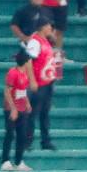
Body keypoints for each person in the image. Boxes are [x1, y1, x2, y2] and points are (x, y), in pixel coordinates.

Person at [25, 17, 56, 149]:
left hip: (47, 82)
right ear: (42, 27)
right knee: (33, 113)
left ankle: (45, 140)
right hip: (39, 83)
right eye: (48, 25)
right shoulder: (35, 42)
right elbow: (28, 60)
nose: (50, 28)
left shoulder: (45, 41)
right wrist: (32, 80)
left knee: (45, 112)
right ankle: (27, 141)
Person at [1, 48, 34, 170]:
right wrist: (13, 109)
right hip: (11, 108)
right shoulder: (12, 73)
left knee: (21, 135)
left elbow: (22, 91)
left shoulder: (24, 74)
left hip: (22, 109)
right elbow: (7, 91)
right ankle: (5, 161)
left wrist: (27, 103)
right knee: (9, 134)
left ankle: (19, 161)